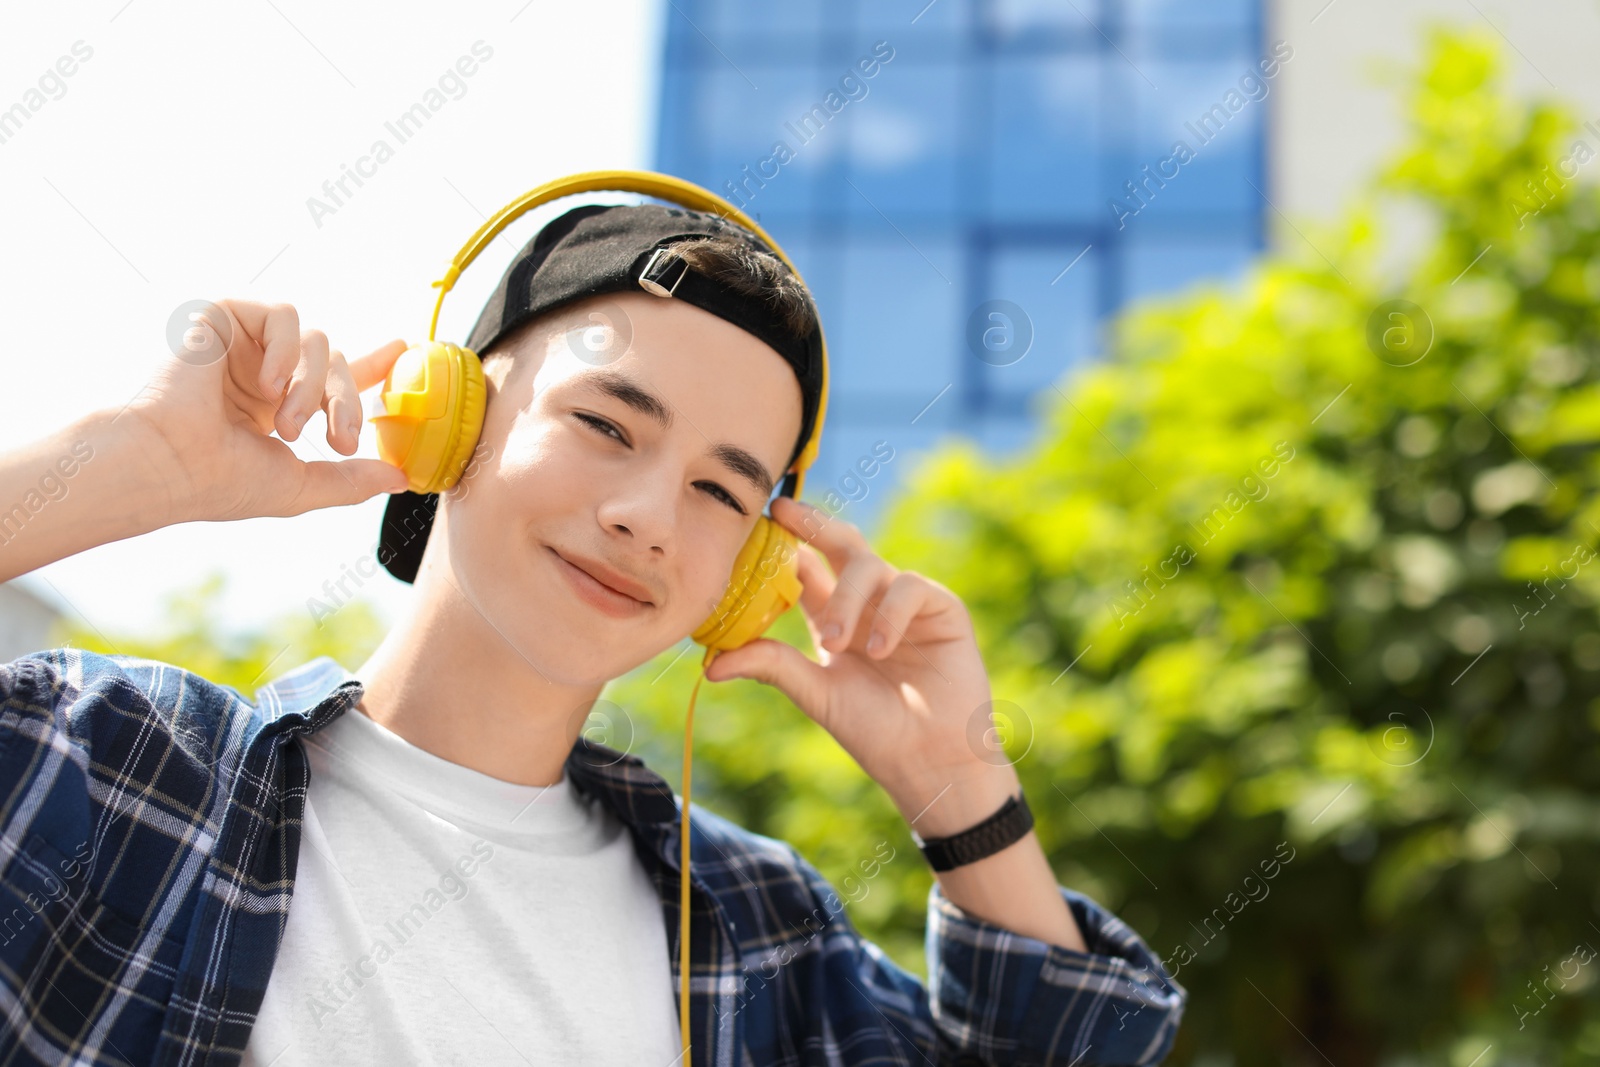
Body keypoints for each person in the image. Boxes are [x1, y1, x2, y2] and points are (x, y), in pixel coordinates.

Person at [0, 199, 1187, 1066]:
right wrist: (125, 467)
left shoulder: (757, 926)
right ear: (448, 411)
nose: (645, 516)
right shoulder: (114, 764)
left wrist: (958, 782)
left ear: (751, 572)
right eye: (607, 425)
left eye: (722, 492)